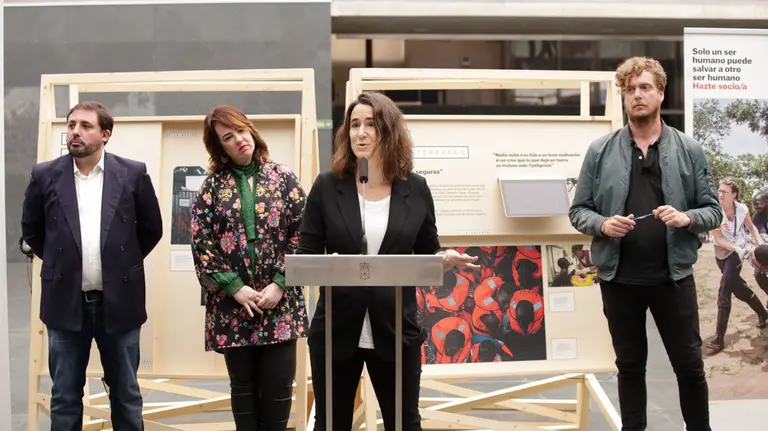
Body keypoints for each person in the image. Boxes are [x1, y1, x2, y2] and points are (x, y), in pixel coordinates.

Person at [297, 91, 479, 431]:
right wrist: (332, 264)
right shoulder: (326, 187)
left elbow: (428, 249)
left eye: (370, 124)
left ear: (389, 131)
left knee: (404, 423)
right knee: (331, 424)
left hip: (396, 330)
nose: (360, 133)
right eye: (354, 125)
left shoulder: (416, 188)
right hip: (337, 330)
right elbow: (306, 255)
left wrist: (444, 258)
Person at [568, 57, 722, 431]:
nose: (637, 95)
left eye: (645, 87)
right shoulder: (600, 151)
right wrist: (603, 224)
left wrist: (688, 218)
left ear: (661, 93)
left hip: (673, 278)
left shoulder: (689, 149)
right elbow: (578, 212)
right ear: (623, 97)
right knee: (630, 367)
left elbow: (713, 210)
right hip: (620, 280)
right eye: (630, 89)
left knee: (689, 367)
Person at [21, 101, 163, 431]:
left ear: (105, 134)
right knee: (65, 396)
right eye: (71, 125)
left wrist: (120, 262)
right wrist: (64, 261)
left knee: (126, 393)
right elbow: (33, 230)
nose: (75, 132)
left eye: (85, 126)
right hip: (64, 304)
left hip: (120, 303)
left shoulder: (132, 173)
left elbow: (151, 229)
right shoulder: (44, 175)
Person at [189, 105, 308, 430]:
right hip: (233, 306)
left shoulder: (283, 178)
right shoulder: (212, 188)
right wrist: (235, 288)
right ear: (220, 146)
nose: (239, 139)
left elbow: (305, 230)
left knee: (279, 389)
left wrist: (281, 283)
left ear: (251, 130)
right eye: (228, 136)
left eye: (241, 130)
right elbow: (201, 241)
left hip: (280, 305)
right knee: (242, 390)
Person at [705, 178, 768, 354]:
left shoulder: (742, 209)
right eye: (719, 190)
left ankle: (719, 339)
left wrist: (760, 242)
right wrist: (735, 248)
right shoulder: (715, 211)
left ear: (734, 194)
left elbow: (752, 227)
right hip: (723, 252)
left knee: (724, 289)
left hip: (737, 253)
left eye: (724, 191)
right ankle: (763, 313)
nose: (720, 194)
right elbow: (718, 239)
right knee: (738, 288)